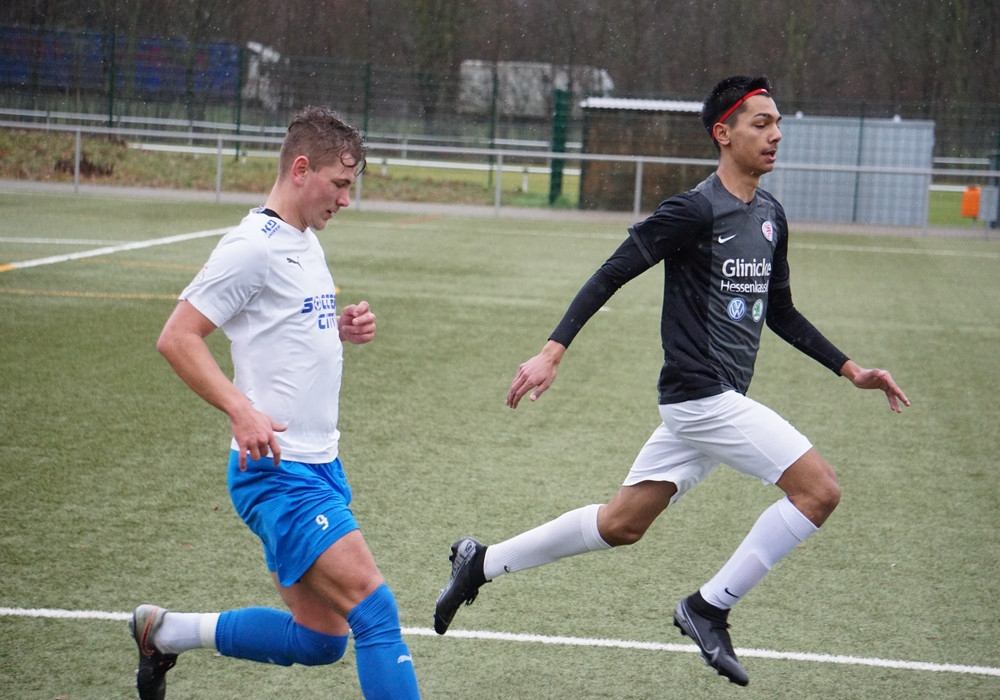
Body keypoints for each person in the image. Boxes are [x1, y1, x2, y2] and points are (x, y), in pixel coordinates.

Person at [433, 76, 909, 687]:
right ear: (723, 133)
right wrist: (552, 351)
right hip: (700, 397)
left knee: (620, 524)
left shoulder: (770, 215)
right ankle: (708, 608)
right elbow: (613, 271)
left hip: (714, 402)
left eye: (777, 123)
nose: (775, 134)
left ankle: (481, 562)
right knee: (819, 491)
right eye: (760, 123)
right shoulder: (694, 210)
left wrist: (851, 370)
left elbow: (781, 311)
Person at [130, 106, 420, 700]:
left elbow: (281, 326)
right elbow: (177, 338)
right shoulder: (251, 247)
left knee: (321, 640)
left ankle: (165, 633)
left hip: (320, 464)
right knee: (375, 610)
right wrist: (240, 409)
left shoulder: (304, 240)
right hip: (277, 471)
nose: (346, 199)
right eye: (339, 184)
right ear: (301, 169)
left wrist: (338, 327)